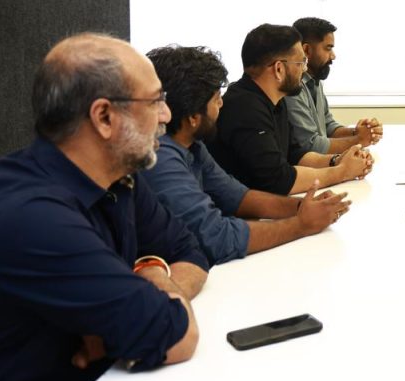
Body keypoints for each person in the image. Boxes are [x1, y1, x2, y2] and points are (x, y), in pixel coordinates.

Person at [0, 34, 207, 381]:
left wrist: (151, 274)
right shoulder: (32, 216)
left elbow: (190, 252)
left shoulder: (119, 178)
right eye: (155, 101)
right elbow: (175, 334)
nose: (166, 114)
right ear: (104, 117)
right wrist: (148, 304)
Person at [145, 45, 352, 266]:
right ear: (193, 117)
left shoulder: (192, 144)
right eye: (216, 99)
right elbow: (218, 238)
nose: (222, 104)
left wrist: (302, 207)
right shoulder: (160, 157)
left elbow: (237, 196)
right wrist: (301, 224)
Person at [207, 23, 369, 195]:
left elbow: (296, 155)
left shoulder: (276, 100)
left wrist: (338, 160)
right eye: (301, 62)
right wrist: (342, 172)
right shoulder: (244, 108)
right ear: (279, 69)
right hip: (242, 209)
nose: (305, 69)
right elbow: (279, 180)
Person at [286, 17, 383, 154]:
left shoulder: (314, 81)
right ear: (306, 50)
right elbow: (310, 145)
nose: (333, 56)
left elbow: (328, 126)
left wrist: (357, 131)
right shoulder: (292, 87)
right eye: (328, 48)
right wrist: (359, 140)